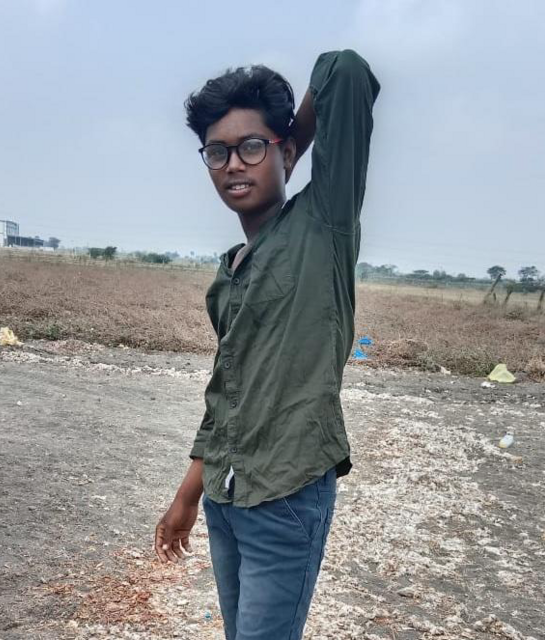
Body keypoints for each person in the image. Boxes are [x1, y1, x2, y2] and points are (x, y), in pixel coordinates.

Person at [154, 48, 380, 640]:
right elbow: (225, 400)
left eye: (251, 146)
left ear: (287, 152)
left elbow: (344, 71)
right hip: (226, 498)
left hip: (286, 494)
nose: (234, 164)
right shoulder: (229, 273)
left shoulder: (323, 225)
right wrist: (187, 498)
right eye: (218, 152)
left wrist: (290, 143)